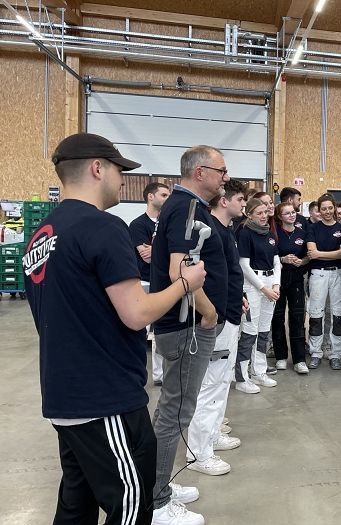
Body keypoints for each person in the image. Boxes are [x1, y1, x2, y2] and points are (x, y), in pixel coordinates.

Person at [24, 133, 206, 524]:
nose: (123, 181)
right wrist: (185, 283)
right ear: (97, 168)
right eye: (119, 171)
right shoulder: (103, 227)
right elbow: (137, 313)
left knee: (77, 504)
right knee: (131, 505)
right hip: (105, 398)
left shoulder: (43, 232)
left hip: (64, 393)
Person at [149, 145, 230, 525]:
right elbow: (178, 270)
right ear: (200, 172)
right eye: (221, 170)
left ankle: (158, 483)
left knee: (173, 409)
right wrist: (209, 311)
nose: (225, 177)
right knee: (175, 413)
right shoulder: (185, 207)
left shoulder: (186, 206)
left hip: (187, 325)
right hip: (187, 326)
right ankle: (155, 501)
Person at [185, 179, 248, 477]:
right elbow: (198, 277)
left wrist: (240, 296)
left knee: (221, 382)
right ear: (224, 201)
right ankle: (198, 453)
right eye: (240, 200)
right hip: (216, 319)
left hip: (231, 314)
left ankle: (211, 435)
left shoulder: (227, 231)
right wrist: (210, 313)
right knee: (209, 385)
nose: (244, 205)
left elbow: (229, 274)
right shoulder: (209, 231)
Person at [235, 198, 281, 392]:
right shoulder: (245, 233)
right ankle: (241, 378)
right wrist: (264, 289)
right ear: (249, 214)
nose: (264, 216)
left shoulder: (269, 233)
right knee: (249, 332)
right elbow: (244, 265)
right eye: (259, 213)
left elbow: (277, 261)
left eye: (265, 212)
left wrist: (276, 284)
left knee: (263, 332)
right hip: (253, 286)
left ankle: (259, 372)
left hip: (270, 284)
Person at [128, 181, 171, 386]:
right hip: (144, 283)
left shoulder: (168, 223)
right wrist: (166, 251)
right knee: (141, 332)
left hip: (164, 283)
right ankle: (135, 374)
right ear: (150, 197)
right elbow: (146, 257)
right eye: (164, 195)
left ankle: (160, 375)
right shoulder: (138, 225)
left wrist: (158, 251)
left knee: (160, 330)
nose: (167, 199)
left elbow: (176, 253)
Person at [306, 194, 341, 370]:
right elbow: (311, 252)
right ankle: (315, 352)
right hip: (318, 274)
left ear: (335, 208)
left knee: (338, 315)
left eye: (330, 208)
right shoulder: (312, 228)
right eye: (323, 209)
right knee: (316, 314)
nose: (327, 211)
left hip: (339, 274)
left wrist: (320, 254)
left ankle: (335, 353)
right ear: (319, 211)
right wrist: (334, 253)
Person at [273, 201, 310, 373]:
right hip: (278, 280)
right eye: (287, 213)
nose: (292, 215)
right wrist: (282, 259)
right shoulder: (274, 233)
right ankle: (280, 356)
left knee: (297, 318)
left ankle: (299, 360)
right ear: (280, 217)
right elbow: (269, 255)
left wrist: (301, 261)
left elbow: (308, 256)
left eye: (293, 212)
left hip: (296, 279)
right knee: (277, 318)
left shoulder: (302, 233)